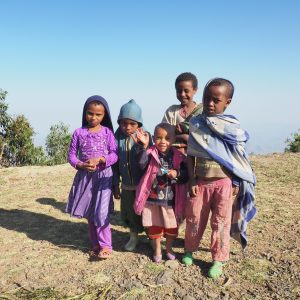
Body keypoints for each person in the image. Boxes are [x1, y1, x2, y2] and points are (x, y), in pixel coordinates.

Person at [183, 78, 256, 279]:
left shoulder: (230, 127)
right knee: (194, 219)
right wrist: (191, 180)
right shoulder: (197, 123)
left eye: (216, 100)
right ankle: (189, 249)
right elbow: (190, 154)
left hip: (224, 184)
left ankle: (218, 258)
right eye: (207, 98)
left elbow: (237, 158)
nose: (210, 103)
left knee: (221, 222)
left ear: (227, 102)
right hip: (200, 182)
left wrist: (235, 182)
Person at [66, 95, 118, 259]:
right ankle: (95, 244)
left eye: (98, 115)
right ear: (85, 113)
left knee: (101, 212)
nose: (93, 117)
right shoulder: (78, 133)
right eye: (90, 113)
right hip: (85, 178)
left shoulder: (107, 133)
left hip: (104, 178)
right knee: (90, 211)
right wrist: (81, 165)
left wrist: (102, 159)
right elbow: (72, 156)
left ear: (104, 116)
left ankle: (106, 246)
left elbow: (115, 155)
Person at [134, 123, 188, 263]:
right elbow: (140, 164)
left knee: (172, 227)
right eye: (159, 138)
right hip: (153, 199)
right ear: (153, 138)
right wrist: (143, 146)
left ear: (174, 139)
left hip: (172, 200)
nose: (163, 141)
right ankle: (157, 249)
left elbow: (185, 175)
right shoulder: (150, 153)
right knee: (155, 226)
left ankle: (168, 248)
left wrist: (177, 173)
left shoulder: (179, 156)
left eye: (167, 138)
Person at [113, 99, 152, 251]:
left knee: (147, 212)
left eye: (132, 124)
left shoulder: (146, 137)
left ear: (139, 124)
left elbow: (151, 159)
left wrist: (145, 146)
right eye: (123, 123)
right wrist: (115, 184)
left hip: (145, 186)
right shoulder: (116, 139)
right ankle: (133, 237)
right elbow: (114, 165)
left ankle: (151, 236)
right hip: (127, 186)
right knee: (130, 212)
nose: (127, 127)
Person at [162, 72, 203, 153]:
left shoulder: (202, 111)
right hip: (175, 159)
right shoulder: (171, 111)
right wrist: (183, 137)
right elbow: (163, 134)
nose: (182, 94)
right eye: (179, 91)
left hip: (197, 157)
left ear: (195, 90)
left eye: (186, 91)